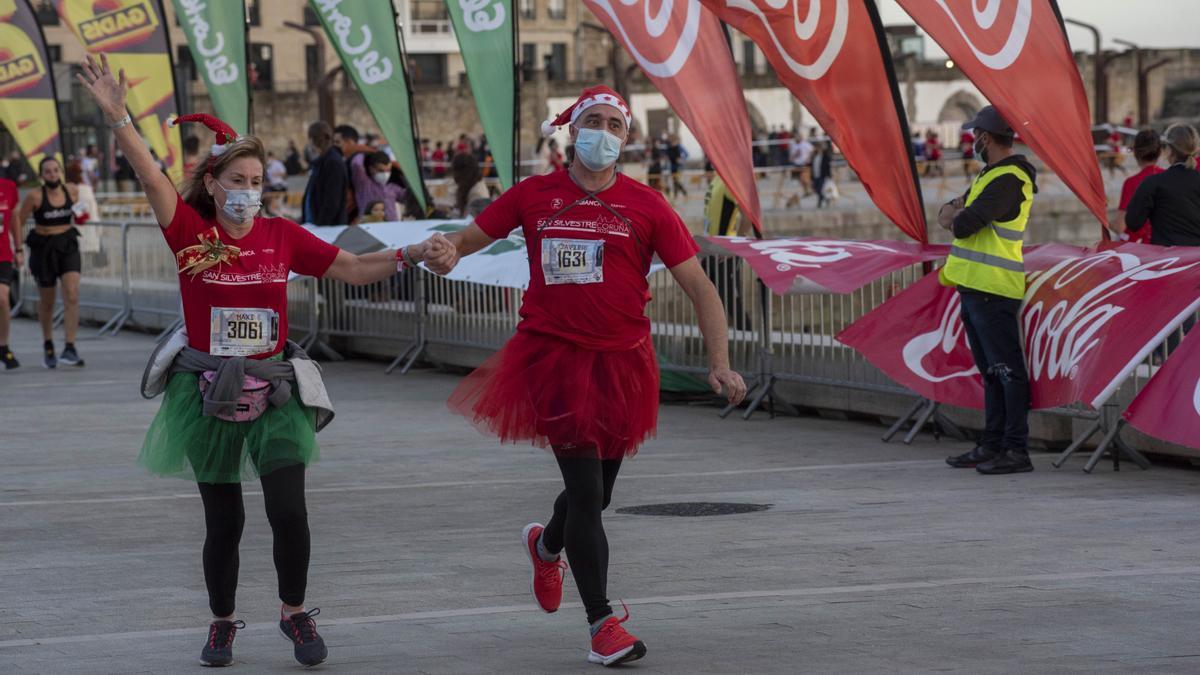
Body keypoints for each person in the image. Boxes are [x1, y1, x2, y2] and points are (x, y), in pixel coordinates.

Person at [77, 54, 452, 668]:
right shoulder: (191, 233)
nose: (250, 191)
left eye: (258, 182)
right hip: (206, 391)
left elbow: (353, 268)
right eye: (239, 180)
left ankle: (294, 612)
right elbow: (150, 179)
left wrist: (412, 253)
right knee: (224, 521)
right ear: (214, 183)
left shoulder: (282, 236)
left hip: (275, 388)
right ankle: (222, 622)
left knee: (288, 510)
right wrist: (120, 117)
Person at [435, 85, 747, 668]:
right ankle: (602, 623)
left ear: (626, 138)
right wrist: (447, 250)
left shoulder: (647, 205)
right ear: (572, 130)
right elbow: (469, 239)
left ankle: (545, 544)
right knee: (584, 492)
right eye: (593, 121)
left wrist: (720, 362)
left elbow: (701, 287)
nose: (603, 132)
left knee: (598, 494)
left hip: (623, 362)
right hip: (552, 358)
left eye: (614, 124)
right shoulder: (534, 195)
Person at [940, 106, 1037, 475]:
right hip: (974, 287)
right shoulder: (989, 174)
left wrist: (960, 211)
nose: (972, 141)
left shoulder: (1010, 178)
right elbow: (946, 215)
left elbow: (962, 224)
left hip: (993, 289)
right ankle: (992, 444)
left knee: (1007, 371)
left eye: (974, 135)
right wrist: (958, 211)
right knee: (992, 372)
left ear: (986, 137)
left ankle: (1016, 449)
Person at [16, 156, 91, 368]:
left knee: (72, 294)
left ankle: (70, 347)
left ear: (60, 172)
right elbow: (18, 222)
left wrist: (82, 214)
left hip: (67, 243)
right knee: (47, 301)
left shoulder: (72, 191)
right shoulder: (35, 197)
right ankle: (48, 344)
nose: (52, 175)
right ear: (41, 175)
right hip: (43, 247)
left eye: (55, 170)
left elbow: (81, 214)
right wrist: (18, 249)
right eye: (48, 171)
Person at [1116, 124, 1200, 247]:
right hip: (1195, 260)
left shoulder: (1153, 183)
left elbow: (1133, 223)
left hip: (1167, 259)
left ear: (1168, 150)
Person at [702, 174, 752, 329]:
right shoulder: (717, 178)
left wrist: (734, 246)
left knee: (732, 303)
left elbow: (748, 216)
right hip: (710, 251)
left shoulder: (730, 181)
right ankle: (727, 343)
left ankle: (747, 344)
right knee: (712, 302)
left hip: (725, 253)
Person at [1108, 129, 1164, 243]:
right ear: (1160, 152)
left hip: (1140, 249)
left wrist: (1104, 218)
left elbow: (1120, 227)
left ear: (1135, 153)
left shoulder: (1131, 183)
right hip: (1167, 247)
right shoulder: (1170, 177)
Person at [301, 121, 348, 226]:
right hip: (317, 224)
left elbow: (332, 201)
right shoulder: (322, 161)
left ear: (312, 140)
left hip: (326, 228)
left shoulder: (332, 162)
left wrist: (321, 224)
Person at [350, 151, 406, 222]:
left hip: (392, 227)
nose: (385, 174)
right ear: (371, 169)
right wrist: (365, 152)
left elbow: (408, 198)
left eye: (388, 171)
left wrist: (403, 171)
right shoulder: (364, 184)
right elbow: (356, 164)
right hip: (370, 227)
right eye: (381, 170)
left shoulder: (392, 188)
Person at [0, 175, 19, 369]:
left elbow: (14, 218)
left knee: (3, 298)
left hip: (3, 253)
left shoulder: (8, 187)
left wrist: (19, 249)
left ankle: (3, 345)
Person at [449, 153, 489, 218]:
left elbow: (468, 220)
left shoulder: (476, 193)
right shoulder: (472, 185)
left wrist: (449, 212)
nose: (454, 175)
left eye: (455, 171)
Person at [812, 141, 833, 209]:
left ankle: (820, 201)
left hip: (822, 175)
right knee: (816, 188)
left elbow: (827, 166)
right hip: (815, 175)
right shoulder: (814, 156)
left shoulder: (825, 156)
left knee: (820, 189)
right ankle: (826, 198)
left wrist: (829, 175)